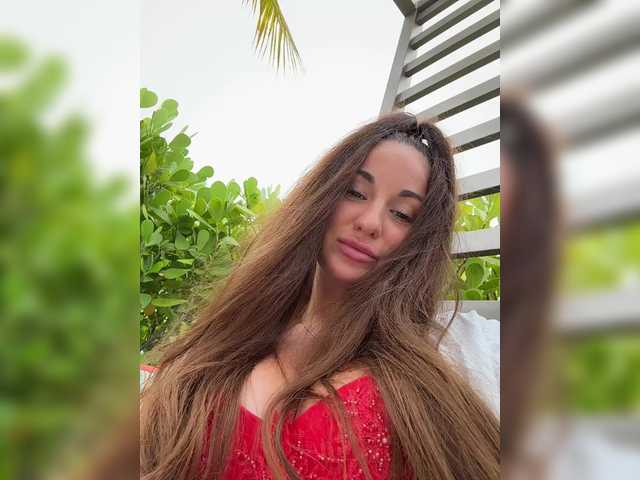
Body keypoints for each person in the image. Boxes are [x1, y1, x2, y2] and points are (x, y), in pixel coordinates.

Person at [140, 112, 500, 480]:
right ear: (323, 197)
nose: (369, 222)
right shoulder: (235, 338)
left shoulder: (417, 391)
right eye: (355, 192)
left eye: (402, 214)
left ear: (419, 241)